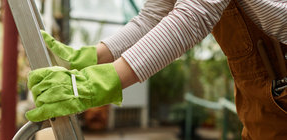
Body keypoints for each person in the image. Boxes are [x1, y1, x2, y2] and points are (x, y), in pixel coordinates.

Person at [25, 0, 287, 139]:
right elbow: (155, 15)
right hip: (262, 92)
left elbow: (197, 10)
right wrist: (90, 58)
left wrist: (102, 81)